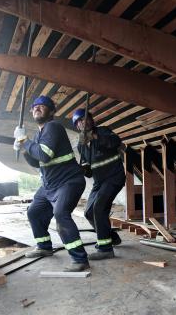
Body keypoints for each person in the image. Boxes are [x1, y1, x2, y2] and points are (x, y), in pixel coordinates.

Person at [14, 96, 89, 271]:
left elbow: (45, 154)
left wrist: (25, 141)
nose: (37, 108)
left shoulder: (53, 127)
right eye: (34, 107)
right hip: (50, 185)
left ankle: (79, 259)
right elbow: (37, 162)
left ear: (52, 112)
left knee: (61, 214)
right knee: (34, 212)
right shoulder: (38, 134)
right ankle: (44, 247)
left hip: (68, 181)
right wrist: (24, 149)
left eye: (42, 106)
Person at [72, 108, 125, 260]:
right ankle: (111, 237)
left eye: (85, 118)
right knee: (89, 213)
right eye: (79, 121)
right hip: (99, 182)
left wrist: (94, 136)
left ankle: (105, 249)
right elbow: (89, 171)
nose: (83, 122)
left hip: (114, 177)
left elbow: (115, 142)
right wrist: (83, 169)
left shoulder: (102, 131)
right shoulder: (82, 145)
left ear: (91, 120)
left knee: (99, 208)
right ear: (77, 126)